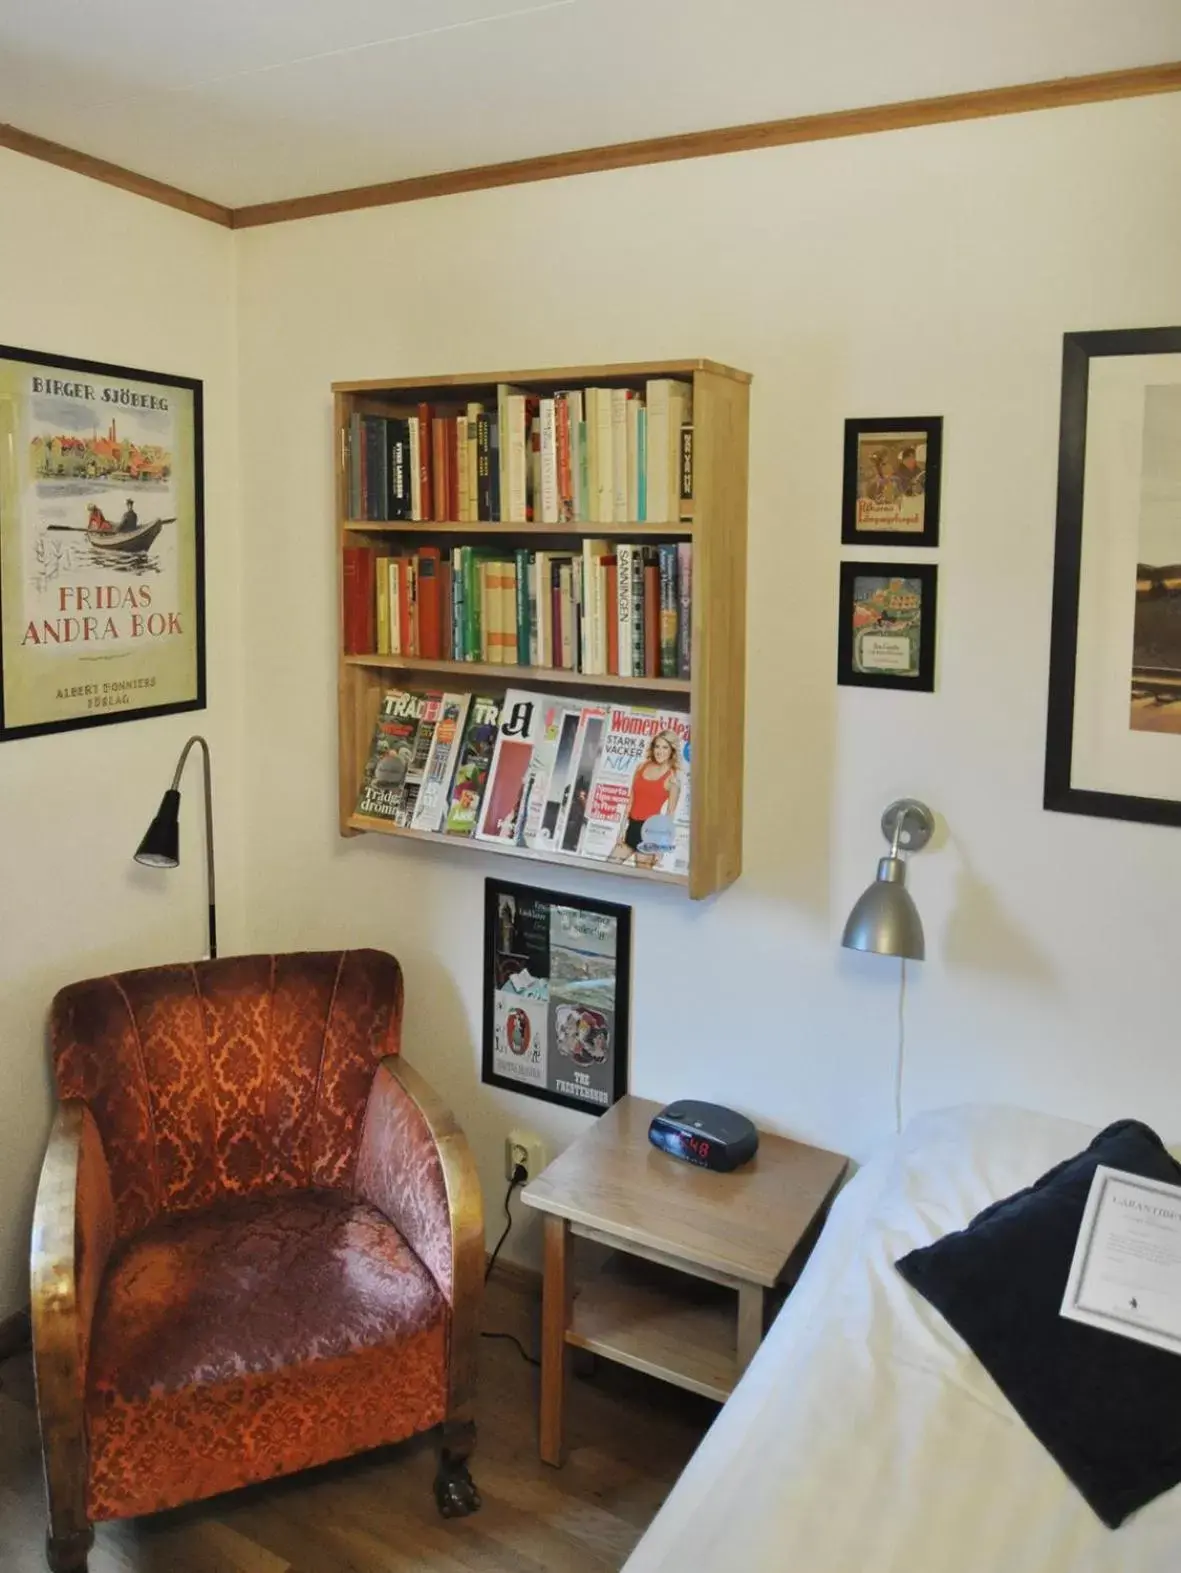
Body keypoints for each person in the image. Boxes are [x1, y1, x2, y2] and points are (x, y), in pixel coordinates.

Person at [610, 730, 682, 869]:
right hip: (631, 828)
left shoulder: (673, 780)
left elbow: (669, 816)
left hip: (649, 834)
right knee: (608, 866)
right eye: (657, 746)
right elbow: (630, 801)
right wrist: (620, 832)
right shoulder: (641, 767)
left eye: (665, 747)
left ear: (672, 751)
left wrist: (660, 849)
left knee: (641, 879)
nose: (660, 751)